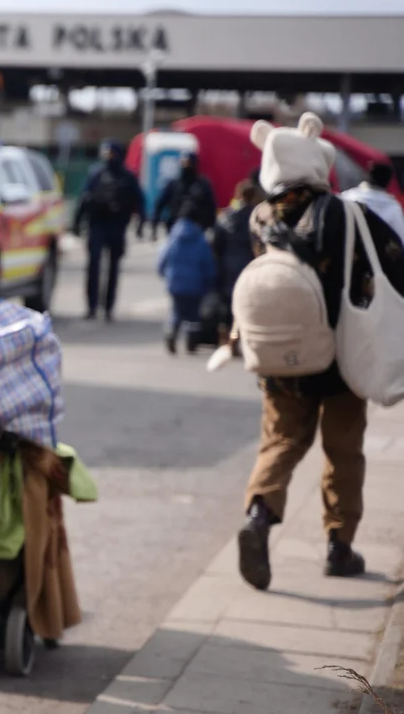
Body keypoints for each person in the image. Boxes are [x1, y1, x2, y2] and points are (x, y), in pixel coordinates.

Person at [237, 112, 404, 592]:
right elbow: (392, 262)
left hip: (282, 362)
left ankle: (258, 515)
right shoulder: (348, 213)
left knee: (281, 443)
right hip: (341, 359)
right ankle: (339, 545)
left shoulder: (260, 216)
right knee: (343, 452)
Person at [72, 139, 146, 322]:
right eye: (106, 154)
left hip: (117, 226)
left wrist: (141, 224)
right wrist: (77, 222)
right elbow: (84, 198)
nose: (109, 158)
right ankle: (91, 307)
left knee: (113, 268)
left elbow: (139, 200)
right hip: (97, 225)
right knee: (93, 267)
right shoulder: (96, 173)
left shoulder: (127, 176)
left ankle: (108, 308)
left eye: (111, 154)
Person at [212, 179, 265, 344]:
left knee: (227, 303)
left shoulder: (226, 216)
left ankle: (225, 332)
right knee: (246, 304)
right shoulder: (258, 219)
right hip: (249, 266)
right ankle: (238, 337)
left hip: (227, 266)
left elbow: (216, 242)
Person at [157, 217, 217, 354]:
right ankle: (191, 342)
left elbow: (162, 260)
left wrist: (165, 276)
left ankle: (171, 332)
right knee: (193, 316)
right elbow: (208, 264)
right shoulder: (200, 241)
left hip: (175, 283)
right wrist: (210, 282)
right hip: (195, 285)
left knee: (177, 312)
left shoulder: (173, 239)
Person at [152, 151, 218, 239]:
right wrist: (154, 226)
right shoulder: (173, 184)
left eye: (188, 163)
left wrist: (211, 227)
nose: (185, 166)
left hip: (197, 231)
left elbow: (211, 206)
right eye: (183, 163)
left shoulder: (202, 185)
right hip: (175, 230)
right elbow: (159, 204)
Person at [341, 160, 404, 243]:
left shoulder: (346, 198)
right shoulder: (393, 207)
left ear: (368, 176)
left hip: (348, 250)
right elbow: (401, 239)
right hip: (379, 253)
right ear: (388, 181)